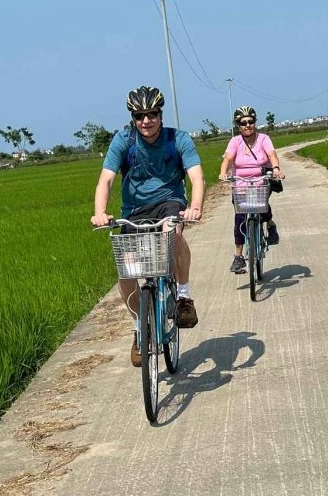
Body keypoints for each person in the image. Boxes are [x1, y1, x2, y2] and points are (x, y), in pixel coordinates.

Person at [92, 86, 205, 365]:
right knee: (126, 263)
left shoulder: (177, 139)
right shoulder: (123, 140)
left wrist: (195, 207)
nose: (146, 121)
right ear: (133, 117)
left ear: (160, 114)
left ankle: (183, 297)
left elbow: (197, 177)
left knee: (172, 233)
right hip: (135, 210)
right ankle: (139, 328)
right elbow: (105, 180)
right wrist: (100, 212)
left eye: (151, 114)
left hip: (169, 201)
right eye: (139, 115)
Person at [217, 105, 285, 274]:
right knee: (240, 218)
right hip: (240, 184)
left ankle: (270, 224)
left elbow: (272, 155)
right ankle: (238, 257)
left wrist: (275, 168)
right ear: (237, 125)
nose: (247, 125)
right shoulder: (235, 142)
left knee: (261, 205)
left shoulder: (264, 139)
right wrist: (223, 172)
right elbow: (228, 158)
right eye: (243, 122)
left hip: (261, 180)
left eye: (250, 121)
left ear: (255, 122)